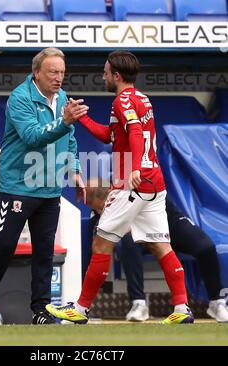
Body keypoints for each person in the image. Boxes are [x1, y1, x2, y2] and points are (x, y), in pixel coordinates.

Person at [46, 50, 194, 325]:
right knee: (161, 245)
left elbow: (136, 132)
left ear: (116, 75)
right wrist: (82, 119)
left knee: (101, 243)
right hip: (154, 184)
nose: (102, 76)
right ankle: (182, 308)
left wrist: (135, 167)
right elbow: (111, 136)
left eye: (105, 72)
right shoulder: (141, 99)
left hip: (131, 184)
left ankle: (80, 309)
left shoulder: (122, 100)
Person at [0, 47, 88, 325]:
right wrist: (65, 120)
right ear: (36, 73)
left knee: (45, 251)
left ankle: (41, 311)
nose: (58, 78)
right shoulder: (20, 98)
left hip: (49, 188)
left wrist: (75, 171)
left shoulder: (63, 98)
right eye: (52, 72)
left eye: (62, 73)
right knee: (4, 246)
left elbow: (69, 139)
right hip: (17, 186)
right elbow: (33, 137)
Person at [87, 186, 228, 323]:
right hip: (142, 232)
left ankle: (216, 302)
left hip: (168, 221)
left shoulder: (142, 179)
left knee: (206, 247)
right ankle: (139, 303)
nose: (100, 211)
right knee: (129, 243)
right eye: (97, 209)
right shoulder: (104, 207)